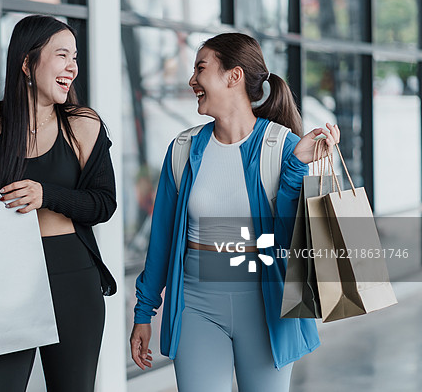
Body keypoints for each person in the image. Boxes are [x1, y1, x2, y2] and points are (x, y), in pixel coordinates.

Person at [130, 33, 340, 392]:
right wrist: (143, 312)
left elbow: (293, 239)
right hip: (196, 305)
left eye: (201, 68)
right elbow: (162, 238)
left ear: (234, 75)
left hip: (267, 303)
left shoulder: (284, 146)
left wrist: (297, 169)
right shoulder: (183, 149)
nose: (192, 80)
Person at [0, 15, 117, 392]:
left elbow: (104, 204)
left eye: (75, 57)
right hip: (3, 279)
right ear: (27, 63)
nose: (72, 67)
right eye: (61, 55)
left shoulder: (84, 124)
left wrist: (47, 195)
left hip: (72, 275)